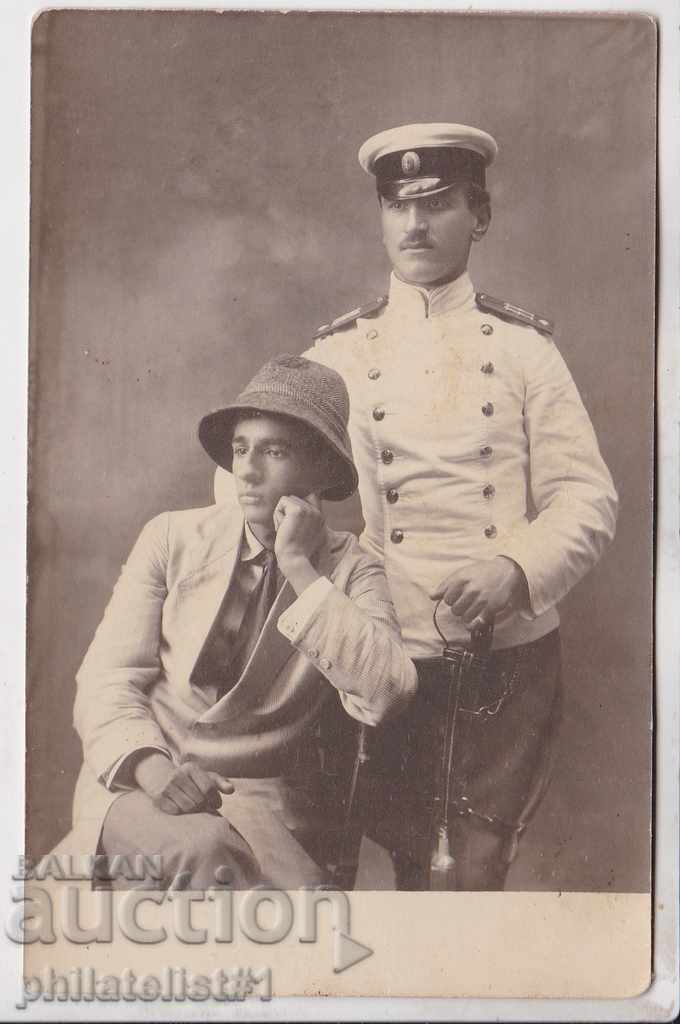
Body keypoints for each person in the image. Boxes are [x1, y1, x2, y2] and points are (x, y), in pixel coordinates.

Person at [217, 122, 618, 890]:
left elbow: (587, 496)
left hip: (505, 659)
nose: (415, 225)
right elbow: (255, 482)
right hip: (383, 651)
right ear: (381, 217)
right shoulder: (339, 353)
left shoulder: (528, 350)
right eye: (398, 207)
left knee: (471, 874)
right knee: (397, 867)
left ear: (481, 216)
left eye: (437, 205)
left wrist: (515, 565)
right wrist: (296, 548)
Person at [60, 354, 417, 890]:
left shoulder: (350, 569)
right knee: (205, 855)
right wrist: (154, 770)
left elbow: (389, 691)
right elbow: (106, 681)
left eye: (274, 451)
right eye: (240, 449)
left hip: (254, 805)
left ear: (320, 468)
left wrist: (300, 569)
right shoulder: (172, 538)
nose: (246, 471)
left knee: (307, 923)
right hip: (137, 777)